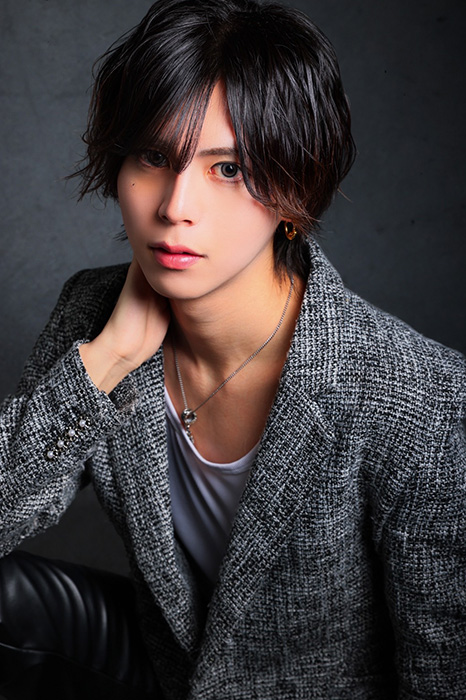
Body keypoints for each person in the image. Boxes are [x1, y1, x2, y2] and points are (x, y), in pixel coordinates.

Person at [0, 0, 465, 697]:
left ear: (296, 186)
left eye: (228, 169)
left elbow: (444, 673)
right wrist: (105, 362)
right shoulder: (91, 314)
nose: (174, 206)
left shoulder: (422, 401)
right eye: (154, 157)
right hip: (168, 671)